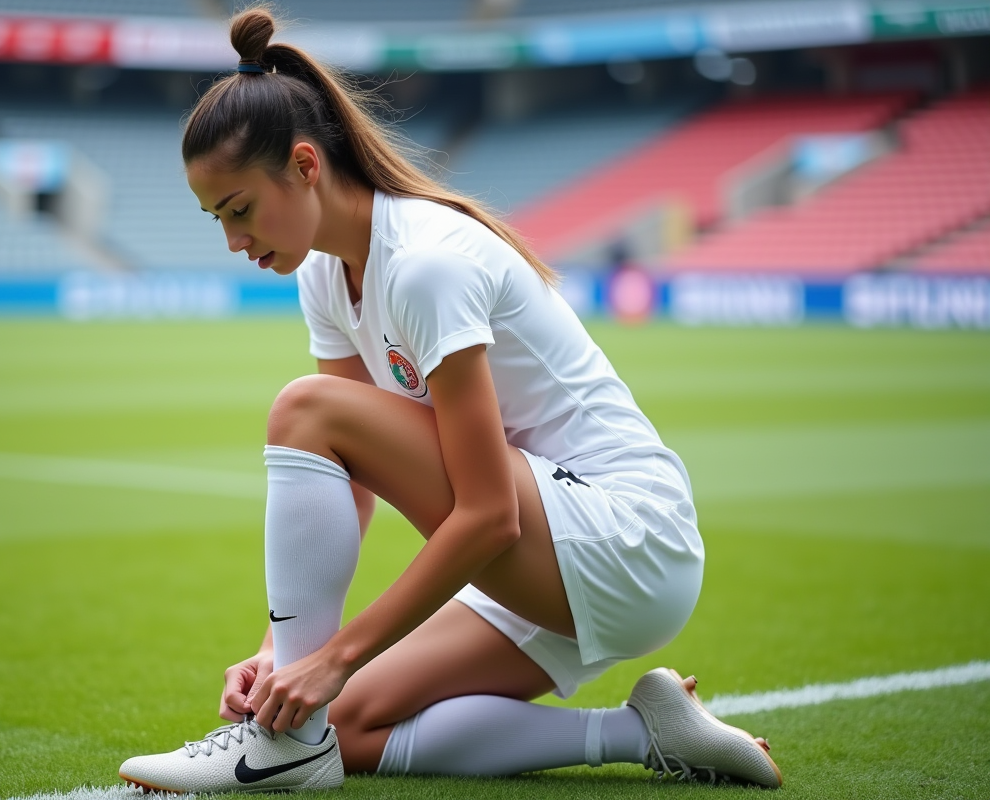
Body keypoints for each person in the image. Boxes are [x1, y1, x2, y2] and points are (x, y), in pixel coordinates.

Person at [119, 8, 782, 795]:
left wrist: (331, 658)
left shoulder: (426, 264)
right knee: (342, 725)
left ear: (304, 165)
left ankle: (283, 747)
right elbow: (350, 484)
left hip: (628, 536)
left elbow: (488, 513)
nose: (234, 241)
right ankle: (646, 731)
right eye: (217, 220)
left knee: (305, 410)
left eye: (240, 210)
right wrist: (279, 653)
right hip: (554, 544)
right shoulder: (324, 273)